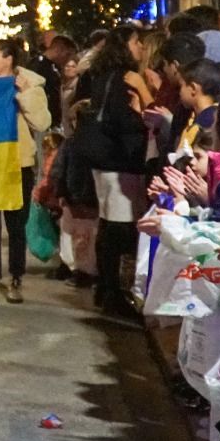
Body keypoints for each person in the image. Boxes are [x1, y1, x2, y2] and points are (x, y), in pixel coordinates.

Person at [77, 24, 150, 316]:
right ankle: (112, 291)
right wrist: (141, 123)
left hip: (101, 158)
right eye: (136, 42)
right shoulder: (125, 78)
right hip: (120, 160)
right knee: (119, 227)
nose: (140, 48)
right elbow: (121, 118)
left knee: (108, 224)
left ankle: (105, 288)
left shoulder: (101, 74)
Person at [0, 38, 51, 308]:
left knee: (16, 225)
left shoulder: (32, 85)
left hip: (18, 163)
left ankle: (16, 276)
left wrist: (23, 94)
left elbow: (42, 122)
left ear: (9, 59)